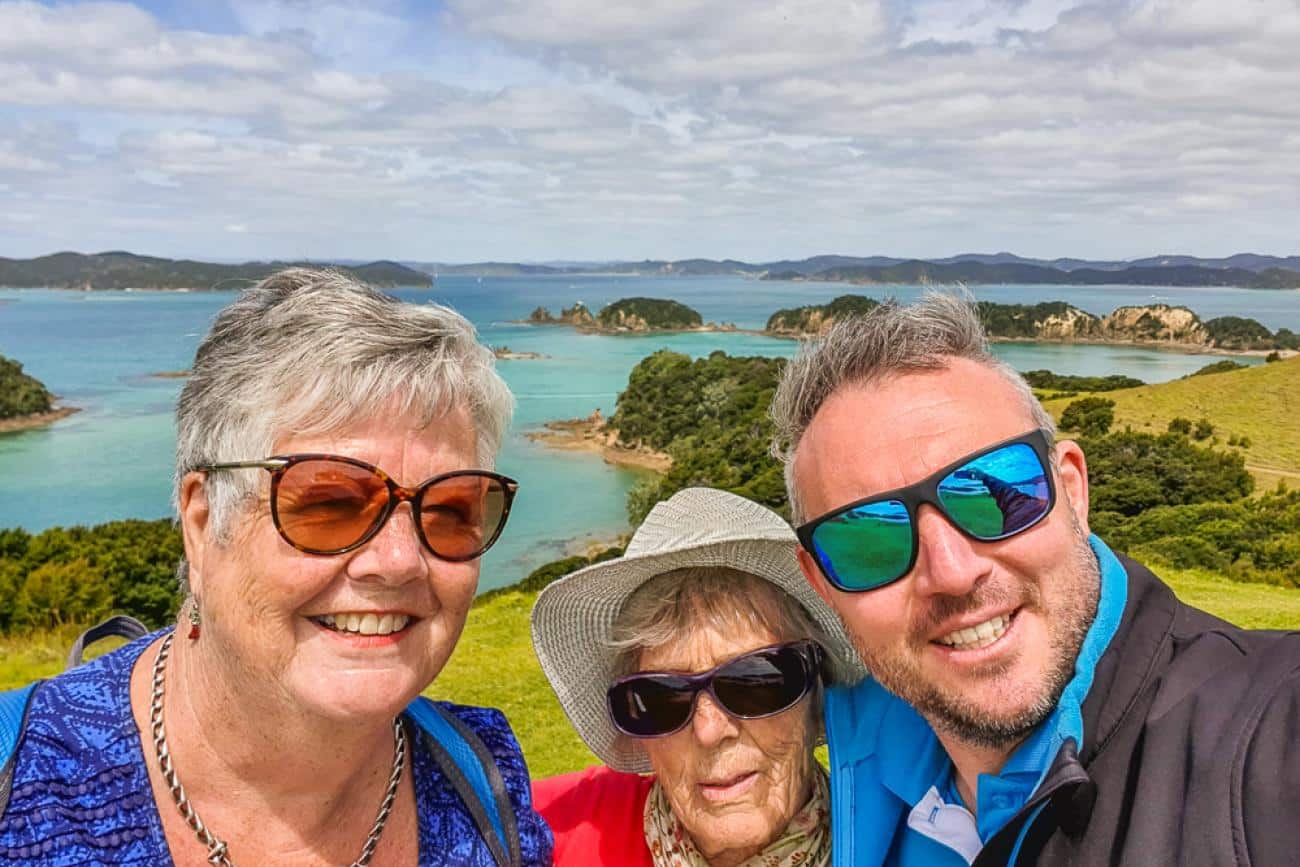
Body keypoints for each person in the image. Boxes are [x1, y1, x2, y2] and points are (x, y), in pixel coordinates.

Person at [0, 269, 552, 865]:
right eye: (330, 503)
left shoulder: (480, 776)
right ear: (203, 522)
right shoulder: (27, 787)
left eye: (450, 509)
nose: (398, 561)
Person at [770, 293, 1300, 866]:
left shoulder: (1264, 735)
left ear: (1072, 491)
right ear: (821, 583)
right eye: (866, 539)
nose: (951, 571)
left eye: (992, 494)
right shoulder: (861, 766)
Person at [529, 487, 868, 867]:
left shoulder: (910, 836)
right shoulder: (549, 831)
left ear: (817, 691)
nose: (709, 731)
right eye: (662, 699)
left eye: (754, 683)